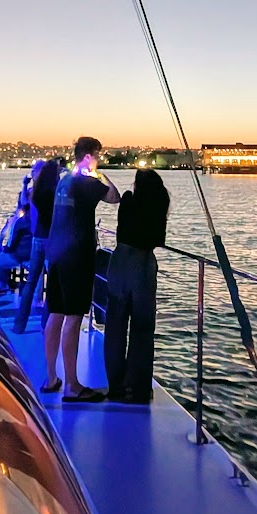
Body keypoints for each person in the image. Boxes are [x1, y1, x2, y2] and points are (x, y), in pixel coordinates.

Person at [42, 137, 119, 402]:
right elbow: (115, 197)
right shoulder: (88, 182)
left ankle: (51, 377)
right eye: (97, 154)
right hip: (76, 256)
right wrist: (101, 175)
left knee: (56, 313)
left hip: (56, 254)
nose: (99, 158)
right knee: (73, 317)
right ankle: (72, 386)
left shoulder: (63, 180)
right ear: (88, 156)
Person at [104, 167, 169, 403]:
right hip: (142, 264)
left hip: (119, 261)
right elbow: (158, 240)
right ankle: (138, 388)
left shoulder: (129, 201)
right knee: (142, 328)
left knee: (115, 325)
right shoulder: (159, 203)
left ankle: (115, 385)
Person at [15, 155, 63, 332]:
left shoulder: (36, 193)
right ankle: (46, 326)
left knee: (31, 282)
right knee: (52, 285)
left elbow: (23, 206)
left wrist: (25, 184)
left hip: (37, 238)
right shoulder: (57, 193)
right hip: (52, 239)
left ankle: (19, 325)